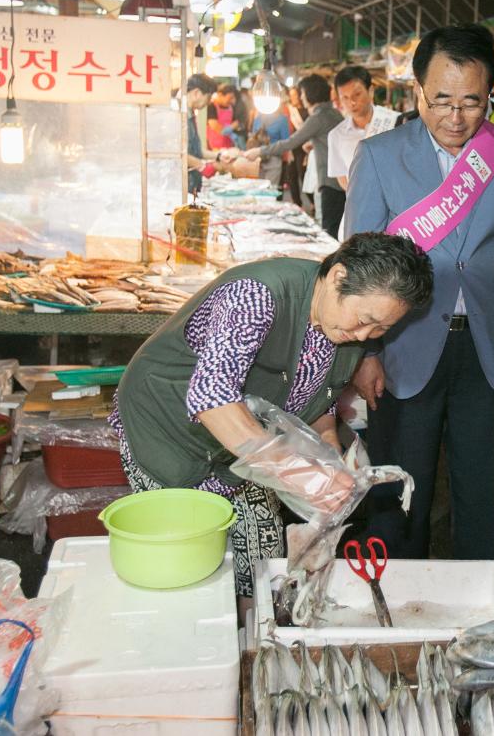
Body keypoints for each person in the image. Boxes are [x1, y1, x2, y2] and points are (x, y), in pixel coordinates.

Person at [109, 233, 433, 605]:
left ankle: (251, 639)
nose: (363, 335)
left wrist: (330, 466)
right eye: (364, 320)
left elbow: (317, 408)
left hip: (244, 450)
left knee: (262, 569)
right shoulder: (256, 295)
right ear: (338, 276)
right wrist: (298, 474)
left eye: (379, 330)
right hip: (167, 432)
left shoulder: (344, 328)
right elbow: (212, 397)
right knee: (187, 567)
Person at [346, 24, 494, 563]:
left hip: (487, 345)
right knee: (400, 488)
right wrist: (363, 353)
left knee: (482, 490)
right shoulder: (380, 155)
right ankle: (397, 604)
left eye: (471, 103)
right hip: (403, 347)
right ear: (417, 93)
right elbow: (356, 266)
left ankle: (479, 604)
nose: (455, 118)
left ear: (491, 96)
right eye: (442, 101)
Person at [244, 75, 343, 237]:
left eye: (302, 93)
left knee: (330, 229)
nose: (301, 97)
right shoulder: (333, 114)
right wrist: (315, 143)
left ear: (311, 93)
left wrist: (259, 151)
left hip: (331, 181)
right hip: (337, 180)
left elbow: (290, 142)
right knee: (335, 225)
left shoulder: (318, 117)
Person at [327, 65, 401, 195]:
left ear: (370, 91)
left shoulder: (395, 121)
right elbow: (342, 177)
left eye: (357, 94)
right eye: (345, 97)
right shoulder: (336, 135)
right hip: (362, 207)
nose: (352, 102)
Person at [184, 73, 217, 196]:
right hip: (182, 184)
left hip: (193, 184)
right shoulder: (178, 114)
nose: (208, 103)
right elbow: (176, 153)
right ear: (197, 93)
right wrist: (201, 165)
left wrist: (218, 156)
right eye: (208, 98)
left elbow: (196, 150)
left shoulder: (191, 115)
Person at [249, 102, 292, 189]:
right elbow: (286, 141)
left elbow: (286, 142)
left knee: (265, 191)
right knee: (265, 190)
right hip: (263, 159)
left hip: (267, 158)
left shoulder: (259, 119)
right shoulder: (281, 119)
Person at [206, 82, 240, 150]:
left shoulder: (231, 107)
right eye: (229, 98)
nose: (231, 101)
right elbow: (216, 127)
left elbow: (237, 123)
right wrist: (231, 127)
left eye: (233, 98)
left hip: (228, 145)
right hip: (214, 147)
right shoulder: (211, 107)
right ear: (220, 95)